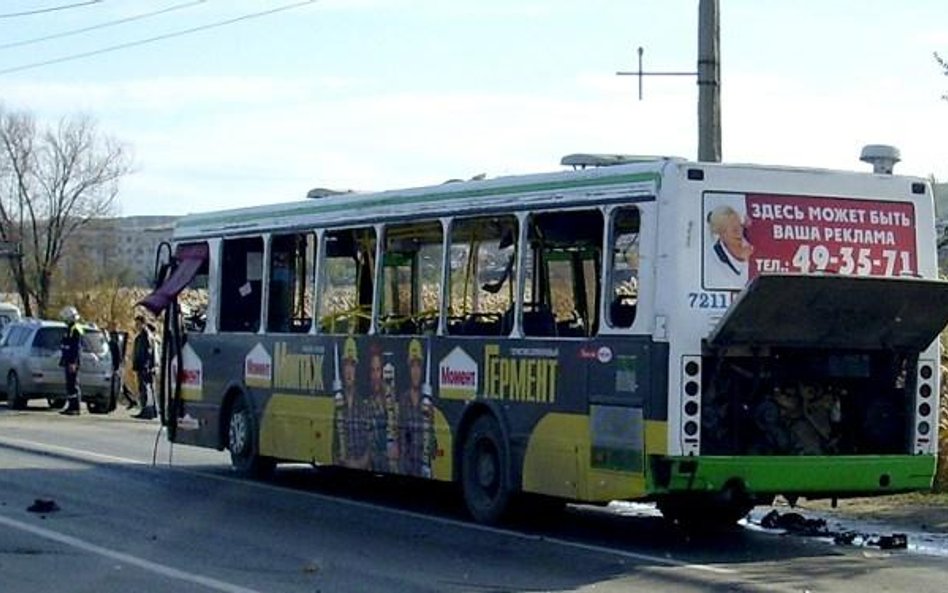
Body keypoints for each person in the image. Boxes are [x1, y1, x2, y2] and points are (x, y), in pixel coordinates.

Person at [706, 204, 754, 289]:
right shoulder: (715, 259)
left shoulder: (750, 245)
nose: (739, 233)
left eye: (740, 226)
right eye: (734, 230)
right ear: (721, 233)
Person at [58, 306, 84, 415]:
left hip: (72, 361)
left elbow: (75, 347)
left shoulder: (75, 329)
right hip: (68, 360)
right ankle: (71, 406)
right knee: (69, 384)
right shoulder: (70, 328)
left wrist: (73, 362)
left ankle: (75, 407)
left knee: (73, 384)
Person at [131, 314, 157, 420]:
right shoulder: (143, 335)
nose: (136, 326)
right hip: (142, 365)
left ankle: (147, 410)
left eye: (138, 324)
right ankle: (150, 410)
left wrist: (145, 365)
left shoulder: (145, 335)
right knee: (146, 388)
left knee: (145, 388)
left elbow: (148, 351)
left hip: (144, 366)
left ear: (142, 323)